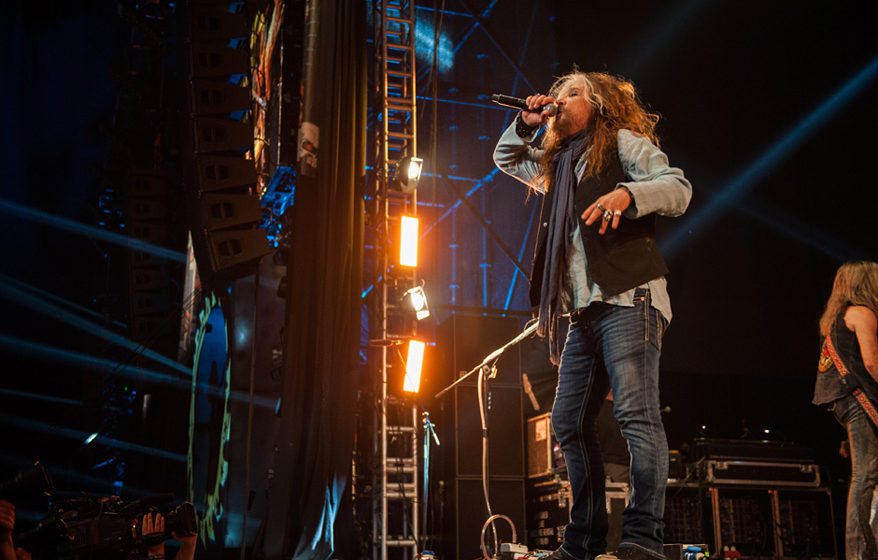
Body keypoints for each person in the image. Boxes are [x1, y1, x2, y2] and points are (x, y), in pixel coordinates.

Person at [493, 70, 692, 560]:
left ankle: (643, 539)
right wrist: (526, 121)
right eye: (556, 93)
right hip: (583, 312)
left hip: (629, 297)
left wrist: (629, 194)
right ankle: (581, 541)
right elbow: (506, 157)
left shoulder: (623, 143)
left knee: (634, 414)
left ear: (598, 104)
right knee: (567, 420)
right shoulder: (557, 163)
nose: (560, 99)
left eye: (572, 93)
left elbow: (678, 188)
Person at [813, 261, 878, 560]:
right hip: (862, 404)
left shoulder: (836, 320)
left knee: (866, 477)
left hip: (847, 406)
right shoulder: (861, 313)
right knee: (865, 476)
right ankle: (859, 553)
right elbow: (871, 364)